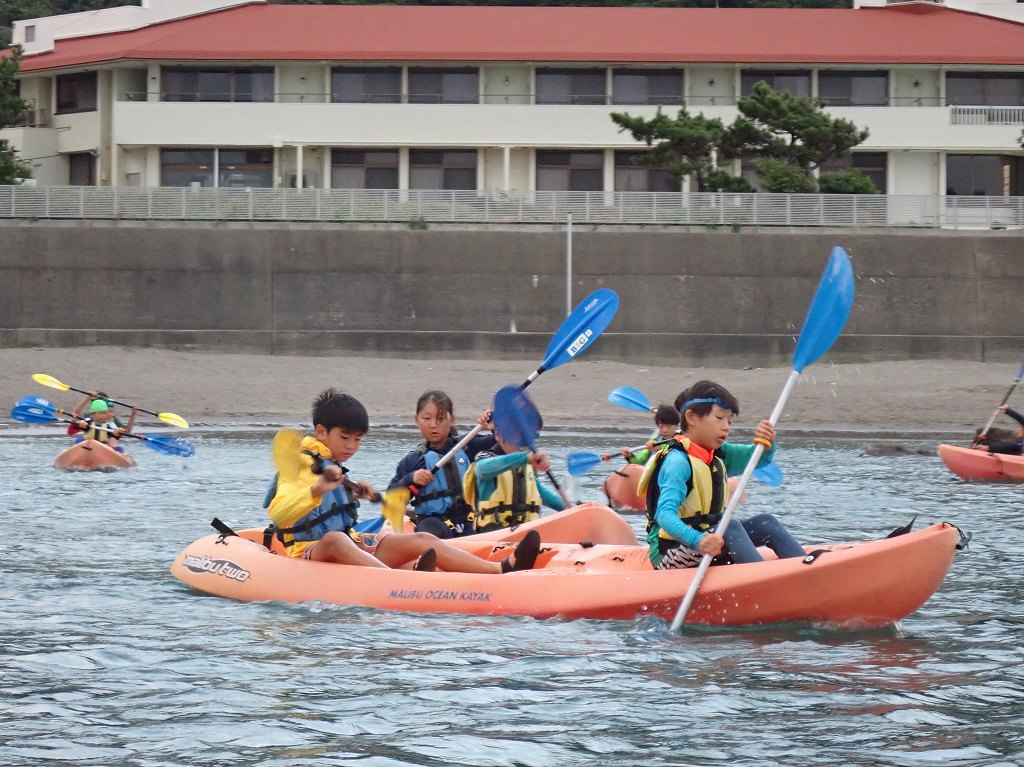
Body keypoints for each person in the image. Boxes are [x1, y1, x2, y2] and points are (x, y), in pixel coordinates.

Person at [267, 387, 540, 573]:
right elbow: (278, 513)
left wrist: (354, 493)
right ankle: (401, 581)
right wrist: (315, 490)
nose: (351, 446)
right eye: (345, 437)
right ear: (321, 432)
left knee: (422, 538)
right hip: (309, 552)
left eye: (358, 439)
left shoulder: (334, 466)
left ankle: (501, 568)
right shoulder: (300, 466)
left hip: (351, 545)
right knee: (334, 539)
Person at [638, 379, 805, 570]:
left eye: (729, 421)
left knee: (766, 523)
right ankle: (761, 577)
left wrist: (766, 442)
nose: (726, 427)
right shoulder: (677, 462)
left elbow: (758, 458)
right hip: (672, 551)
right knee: (729, 527)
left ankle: (805, 570)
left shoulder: (719, 454)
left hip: (711, 541)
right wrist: (698, 540)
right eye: (719, 418)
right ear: (691, 418)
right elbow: (664, 515)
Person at [388, 390, 496, 539]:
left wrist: (495, 427)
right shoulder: (413, 461)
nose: (433, 425)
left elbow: (507, 443)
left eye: (440, 419)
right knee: (429, 527)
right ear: (417, 420)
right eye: (427, 418)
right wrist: (410, 479)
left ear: (452, 420)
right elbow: (391, 499)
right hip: (435, 527)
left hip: (471, 522)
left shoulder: (469, 445)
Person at [464, 418, 567, 533]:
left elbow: (541, 492)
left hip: (525, 532)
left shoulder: (527, 465)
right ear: (498, 435)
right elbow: (482, 470)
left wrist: (567, 508)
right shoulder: (485, 458)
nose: (522, 444)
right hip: (492, 532)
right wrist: (526, 457)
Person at [69, 391, 139, 453]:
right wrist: (79, 423)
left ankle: (117, 454)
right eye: (101, 413)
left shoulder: (111, 420)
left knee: (113, 442)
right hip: (88, 443)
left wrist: (133, 414)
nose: (107, 415)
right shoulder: (90, 418)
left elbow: (125, 431)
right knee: (78, 441)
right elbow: (76, 416)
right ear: (93, 414)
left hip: (105, 445)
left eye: (106, 412)